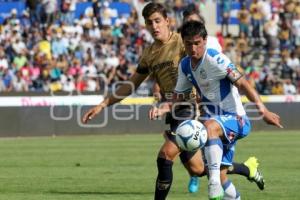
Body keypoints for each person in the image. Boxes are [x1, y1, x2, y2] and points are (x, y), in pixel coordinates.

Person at [82, 3, 205, 200]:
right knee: (199, 169)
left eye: (157, 21)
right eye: (149, 23)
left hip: (190, 108)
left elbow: (202, 65)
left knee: (164, 156)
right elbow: (131, 85)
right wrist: (102, 104)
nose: (154, 26)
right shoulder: (149, 54)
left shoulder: (182, 43)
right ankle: (245, 169)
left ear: (167, 21)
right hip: (173, 112)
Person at [155, 20, 282, 200]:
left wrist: (263, 111)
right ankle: (231, 184)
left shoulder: (215, 59)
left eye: (197, 43)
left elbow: (243, 83)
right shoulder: (185, 65)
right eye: (189, 44)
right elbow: (178, 96)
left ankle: (212, 184)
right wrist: (164, 108)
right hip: (215, 122)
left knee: (209, 128)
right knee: (223, 176)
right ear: (183, 42)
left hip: (236, 119)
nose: (193, 48)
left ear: (205, 41)